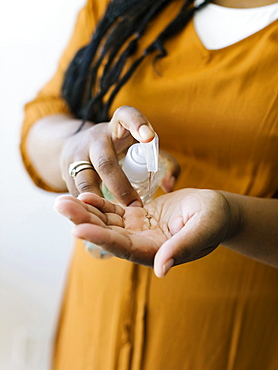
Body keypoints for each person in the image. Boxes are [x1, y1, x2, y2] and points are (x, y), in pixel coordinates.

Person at [20, 0, 278, 369]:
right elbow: (42, 120)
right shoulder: (118, 6)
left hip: (227, 344)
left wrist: (234, 217)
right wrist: (75, 145)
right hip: (91, 335)